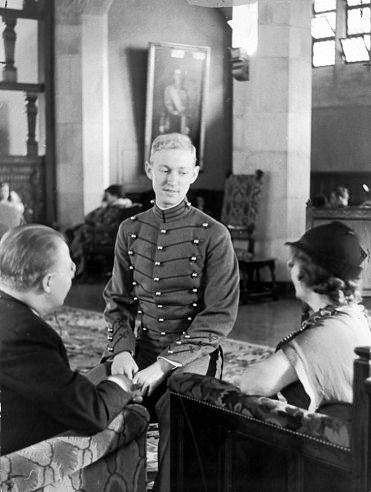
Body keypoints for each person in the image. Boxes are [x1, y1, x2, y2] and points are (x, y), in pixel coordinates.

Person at [101, 133, 240, 491]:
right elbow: (118, 302)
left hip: (192, 353)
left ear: (194, 174)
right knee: (95, 398)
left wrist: (162, 366)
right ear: (149, 169)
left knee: (176, 413)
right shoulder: (130, 230)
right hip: (142, 346)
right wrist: (122, 353)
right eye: (163, 170)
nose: (171, 181)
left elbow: (218, 317)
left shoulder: (214, 235)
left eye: (181, 171)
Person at [0, 224, 142, 456]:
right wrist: (124, 384)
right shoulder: (27, 335)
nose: (75, 268)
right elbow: (92, 415)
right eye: (68, 265)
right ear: (48, 283)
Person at [235, 221, 371, 419]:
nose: (290, 266)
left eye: (295, 262)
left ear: (309, 273)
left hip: (331, 443)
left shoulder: (327, 331)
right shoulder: (352, 314)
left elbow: (252, 383)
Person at [161, 68, 190, 135]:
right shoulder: (168, 90)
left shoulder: (185, 91)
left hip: (182, 121)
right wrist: (162, 124)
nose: (179, 77)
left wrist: (187, 125)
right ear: (173, 76)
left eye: (180, 75)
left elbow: (188, 110)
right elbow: (164, 108)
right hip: (171, 120)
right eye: (177, 74)